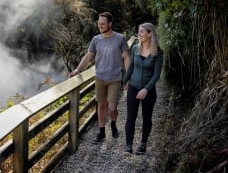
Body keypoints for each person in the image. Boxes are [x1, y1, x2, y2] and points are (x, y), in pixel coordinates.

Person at [69, 12, 130, 143]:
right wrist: (78, 69)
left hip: (115, 78)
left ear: (110, 24)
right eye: (98, 23)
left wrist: (128, 76)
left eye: (103, 23)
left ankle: (113, 124)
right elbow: (88, 56)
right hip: (100, 78)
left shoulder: (120, 38)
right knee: (101, 105)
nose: (100, 25)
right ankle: (102, 132)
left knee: (112, 108)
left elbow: (126, 57)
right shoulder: (96, 39)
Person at [122, 22, 163, 154]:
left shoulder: (158, 52)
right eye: (138, 31)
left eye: (142, 32)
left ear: (150, 34)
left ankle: (143, 144)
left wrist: (146, 89)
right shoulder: (135, 48)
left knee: (147, 118)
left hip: (149, 91)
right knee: (130, 117)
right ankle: (128, 146)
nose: (139, 34)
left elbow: (156, 75)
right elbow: (130, 69)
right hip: (133, 88)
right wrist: (124, 82)